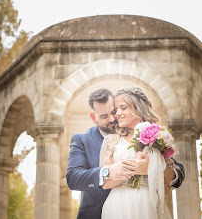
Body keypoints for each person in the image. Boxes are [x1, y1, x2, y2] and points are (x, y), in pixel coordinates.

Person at [66, 88, 185, 219]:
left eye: (114, 111)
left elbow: (175, 171)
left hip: (148, 204)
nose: (114, 117)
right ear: (93, 118)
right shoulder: (85, 140)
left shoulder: (155, 136)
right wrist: (109, 172)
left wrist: (150, 169)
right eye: (104, 116)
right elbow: (73, 178)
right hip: (110, 208)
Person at [100, 87, 179, 219]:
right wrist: (131, 170)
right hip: (119, 205)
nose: (117, 114)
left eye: (123, 108)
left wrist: (150, 169)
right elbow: (105, 184)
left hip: (149, 203)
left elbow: (166, 188)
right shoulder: (111, 140)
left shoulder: (158, 138)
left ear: (138, 108)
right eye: (116, 110)